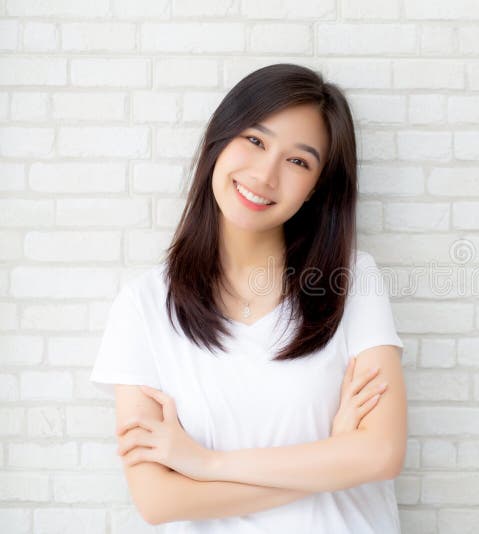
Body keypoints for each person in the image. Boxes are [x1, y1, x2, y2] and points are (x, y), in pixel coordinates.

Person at [89, 63, 407, 533]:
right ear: (220, 140)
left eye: (298, 161)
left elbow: (379, 454)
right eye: (255, 141)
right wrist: (332, 458)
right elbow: (158, 501)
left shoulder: (352, 280)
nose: (264, 175)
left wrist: (204, 464)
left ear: (316, 186)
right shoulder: (143, 307)